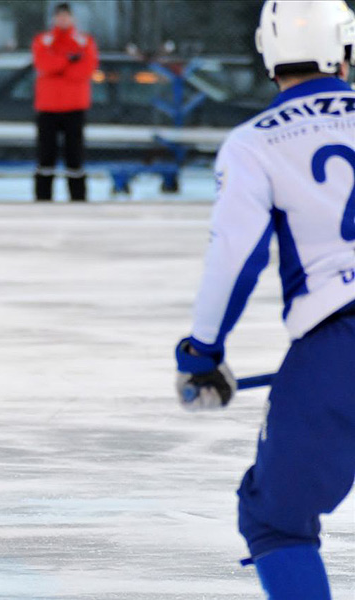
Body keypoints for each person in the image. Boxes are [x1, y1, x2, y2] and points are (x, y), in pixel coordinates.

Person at [174, 2, 355, 598]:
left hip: (337, 342)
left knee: (275, 520)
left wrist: (202, 352)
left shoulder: (258, 141)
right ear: (345, 50)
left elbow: (236, 256)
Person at [31, 2, 98, 202]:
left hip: (74, 107)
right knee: (46, 155)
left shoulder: (85, 42)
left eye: (66, 16)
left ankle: (78, 198)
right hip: (48, 107)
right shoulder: (43, 40)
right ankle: (43, 198)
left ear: (72, 19)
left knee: (75, 155)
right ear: (53, 19)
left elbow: (85, 69)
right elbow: (44, 64)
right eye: (59, 16)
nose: (63, 20)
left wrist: (59, 64)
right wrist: (68, 59)